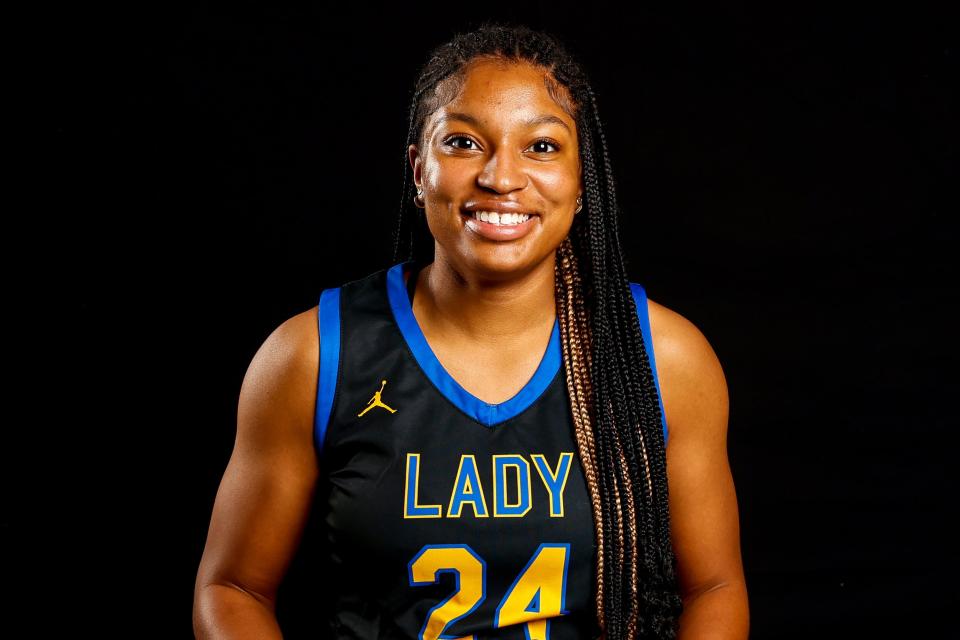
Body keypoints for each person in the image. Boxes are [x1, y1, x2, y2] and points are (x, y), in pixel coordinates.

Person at [193, 22, 748, 640]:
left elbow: (714, 590)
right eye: (462, 142)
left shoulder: (661, 358)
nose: (502, 178)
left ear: (582, 178)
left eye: (541, 147)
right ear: (417, 169)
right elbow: (232, 588)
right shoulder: (314, 355)